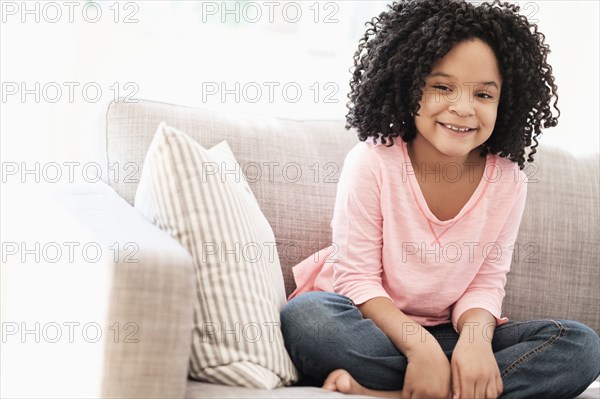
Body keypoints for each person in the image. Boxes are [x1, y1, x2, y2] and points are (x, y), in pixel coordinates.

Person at [280, 0, 600, 398]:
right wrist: (419, 346)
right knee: (309, 319)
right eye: (442, 87)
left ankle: (394, 391)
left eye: (484, 94)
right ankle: (442, 384)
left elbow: (485, 283)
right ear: (409, 86)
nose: (463, 108)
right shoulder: (373, 162)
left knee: (580, 346)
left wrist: (475, 343)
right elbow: (357, 279)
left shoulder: (508, 181)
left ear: (507, 102)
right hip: (370, 325)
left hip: (450, 334)